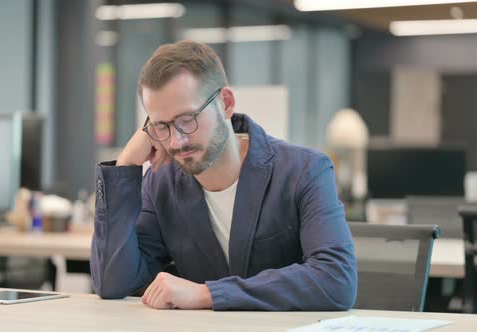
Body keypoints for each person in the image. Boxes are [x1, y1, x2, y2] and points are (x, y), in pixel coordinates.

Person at [91, 40, 357, 311]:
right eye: (162, 126)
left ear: (226, 103)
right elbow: (112, 283)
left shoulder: (304, 170)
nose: (176, 142)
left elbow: (336, 280)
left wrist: (209, 294)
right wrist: (124, 166)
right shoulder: (162, 183)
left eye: (187, 120)